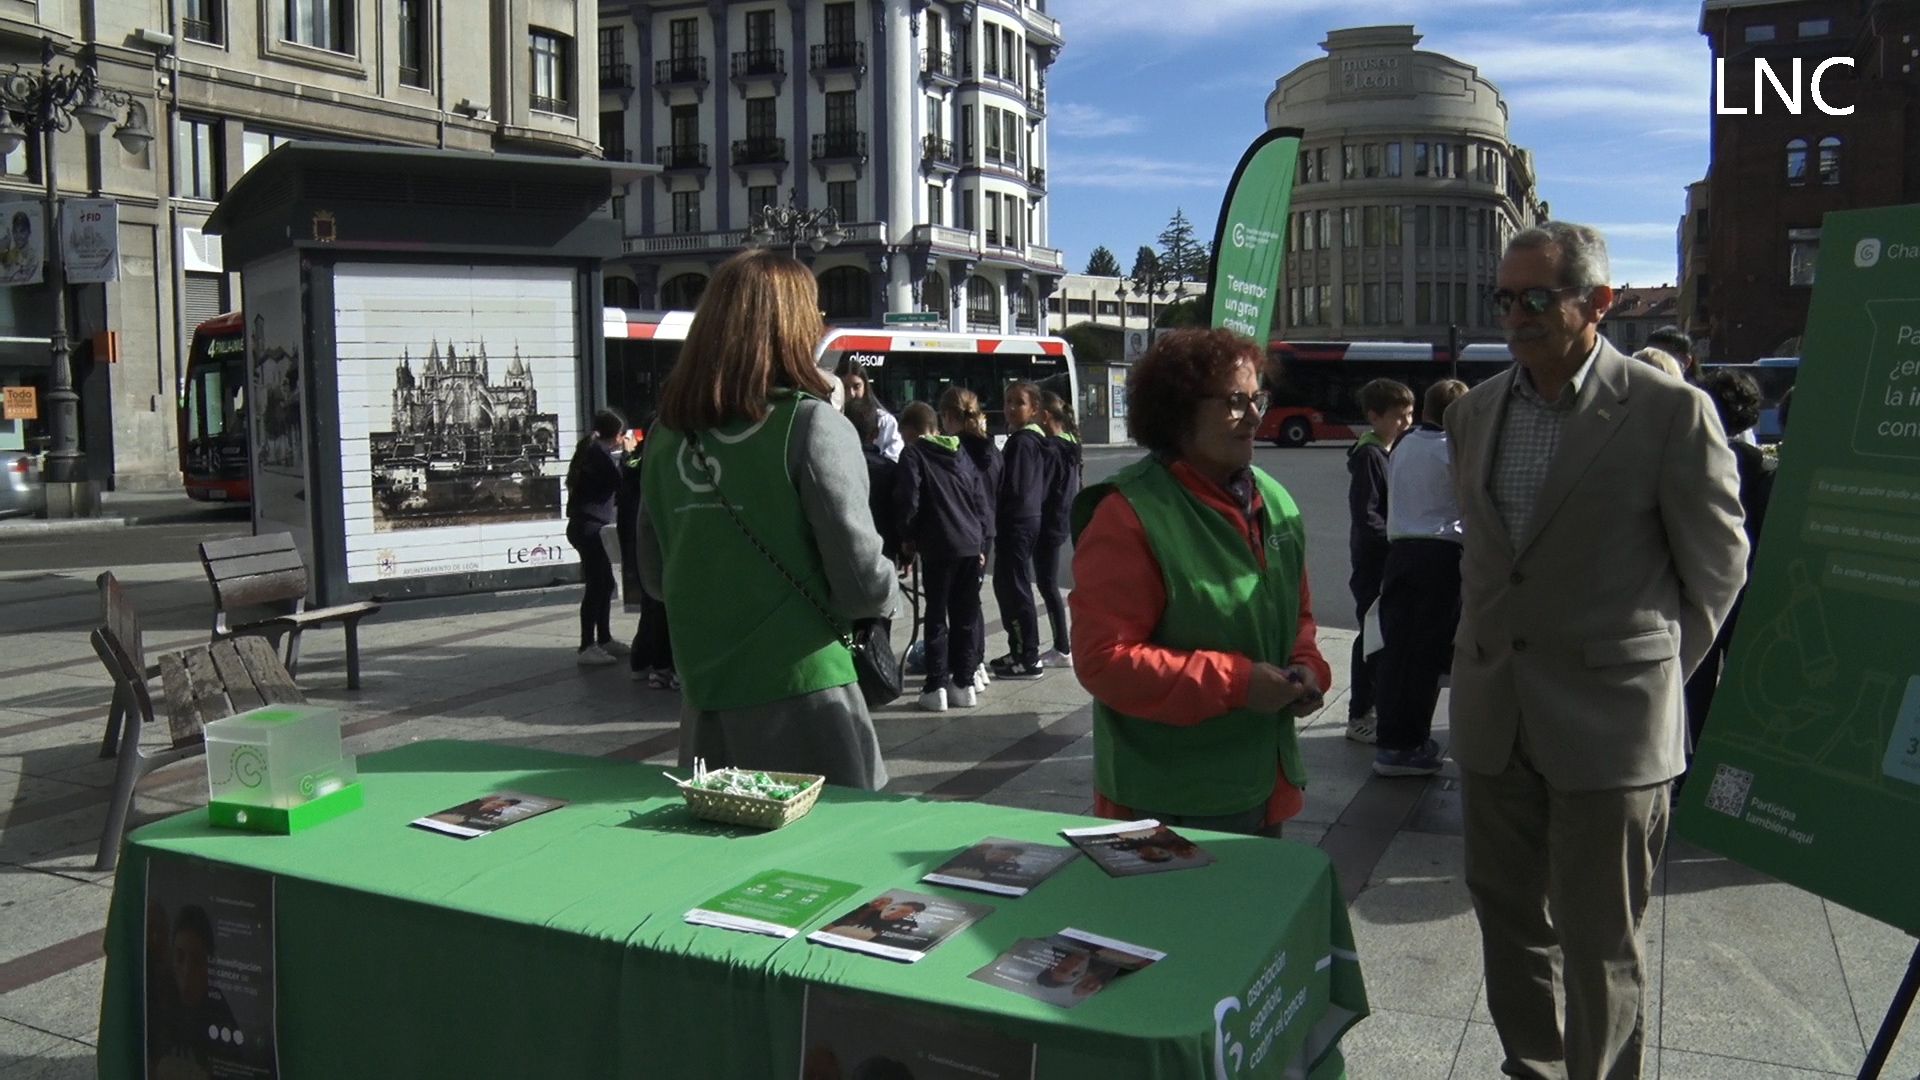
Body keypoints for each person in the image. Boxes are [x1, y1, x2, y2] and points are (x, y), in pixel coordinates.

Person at [1447, 221, 1746, 1080]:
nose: (1517, 314)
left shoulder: (1667, 411)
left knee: (1600, 938)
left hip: (1613, 727)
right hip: (1494, 711)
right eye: (1506, 298)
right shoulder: (1474, 412)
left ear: (1598, 303)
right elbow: (1490, 560)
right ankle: (1533, 1067)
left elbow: (1719, 566)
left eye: (1538, 296)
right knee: (1505, 914)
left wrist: (1650, 678)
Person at [638, 248, 899, 791]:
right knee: (833, 859)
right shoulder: (810, 426)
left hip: (706, 699)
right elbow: (861, 584)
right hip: (807, 697)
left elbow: (654, 578)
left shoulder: (666, 436)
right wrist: (890, 589)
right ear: (793, 324)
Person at [1069, 328, 1333, 838]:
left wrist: (1307, 665)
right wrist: (1236, 684)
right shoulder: (1129, 514)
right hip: (1169, 801)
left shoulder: (1274, 500)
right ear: (1178, 410)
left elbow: (1297, 616)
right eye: (1236, 401)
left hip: (1263, 784)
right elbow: (1104, 661)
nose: (1256, 416)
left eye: (1258, 398)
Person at [1371, 378, 1469, 778]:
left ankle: (1390, 739)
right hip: (1440, 554)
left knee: (1397, 650)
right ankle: (1410, 744)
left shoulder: (1403, 445)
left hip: (1401, 552)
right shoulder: (1454, 451)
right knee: (1426, 654)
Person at [1683, 368, 1777, 784]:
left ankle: (1690, 766)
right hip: (1744, 587)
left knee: (1694, 682)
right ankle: (1731, 769)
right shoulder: (1757, 465)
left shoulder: (1691, 455)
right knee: (1740, 683)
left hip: (1698, 584)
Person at [893, 400, 987, 712]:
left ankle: (936, 686)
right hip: (970, 544)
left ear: (910, 431)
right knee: (965, 617)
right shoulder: (959, 452)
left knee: (936, 617)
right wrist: (982, 543)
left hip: (938, 544)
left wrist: (907, 537)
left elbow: (909, 498)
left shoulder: (914, 454)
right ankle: (963, 683)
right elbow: (978, 498)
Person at [1344, 378, 1414, 744]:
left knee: (1378, 635)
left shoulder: (1384, 451)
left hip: (1381, 558)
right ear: (1374, 416)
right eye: (1399, 416)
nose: (1406, 423)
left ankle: (1370, 708)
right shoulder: (1370, 455)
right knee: (1370, 637)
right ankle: (1359, 714)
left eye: (1410, 414)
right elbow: (1366, 514)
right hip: (1375, 561)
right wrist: (1394, 541)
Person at [990, 381, 1051, 679]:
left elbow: (1012, 486)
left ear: (1035, 409)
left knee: (1013, 586)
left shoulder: (1024, 442)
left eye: (1019, 402)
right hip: (1025, 520)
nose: (1011, 408)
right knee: (1009, 584)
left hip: (1017, 522)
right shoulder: (1028, 440)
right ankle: (1019, 650)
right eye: (1008, 401)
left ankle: (1028, 656)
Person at [565, 410, 631, 666]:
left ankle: (603, 638)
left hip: (587, 526)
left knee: (604, 584)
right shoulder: (598, 456)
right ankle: (587, 645)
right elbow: (620, 482)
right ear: (616, 435)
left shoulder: (592, 452)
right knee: (597, 585)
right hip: (590, 528)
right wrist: (627, 455)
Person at [616, 421, 678, 689]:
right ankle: (667, 669)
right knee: (663, 610)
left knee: (653, 609)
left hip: (648, 545)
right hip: (663, 547)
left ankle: (649, 664)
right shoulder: (660, 463)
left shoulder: (646, 459)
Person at [947, 387, 1000, 695]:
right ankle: (976, 663)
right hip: (987, 528)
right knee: (973, 600)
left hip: (966, 530)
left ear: (949, 416)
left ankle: (969, 664)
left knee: (962, 605)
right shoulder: (991, 449)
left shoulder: (957, 452)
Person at [1034, 390, 1082, 667]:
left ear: (1045, 416)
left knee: (1047, 584)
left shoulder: (1052, 449)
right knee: (1048, 583)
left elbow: (1042, 488)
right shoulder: (1071, 444)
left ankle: (1062, 647)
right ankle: (1062, 645)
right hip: (1061, 519)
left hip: (1048, 521)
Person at [843, 396, 902, 566]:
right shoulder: (890, 470)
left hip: (848, 549)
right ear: (876, 433)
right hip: (884, 548)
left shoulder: (836, 466)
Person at [837, 361, 904, 461]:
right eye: (845, 387)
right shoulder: (832, 418)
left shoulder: (883, 420)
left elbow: (893, 456)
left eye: (857, 387)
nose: (851, 394)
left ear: (865, 387)